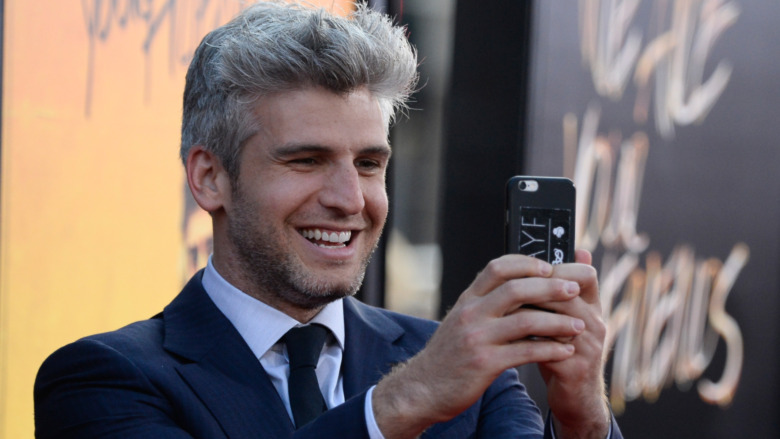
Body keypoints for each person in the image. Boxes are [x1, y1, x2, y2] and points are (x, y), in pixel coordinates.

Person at [34, 2, 622, 438]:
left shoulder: (474, 372)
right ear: (209, 178)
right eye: (306, 160)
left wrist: (583, 416)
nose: (350, 198)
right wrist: (404, 400)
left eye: (369, 164)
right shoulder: (102, 379)